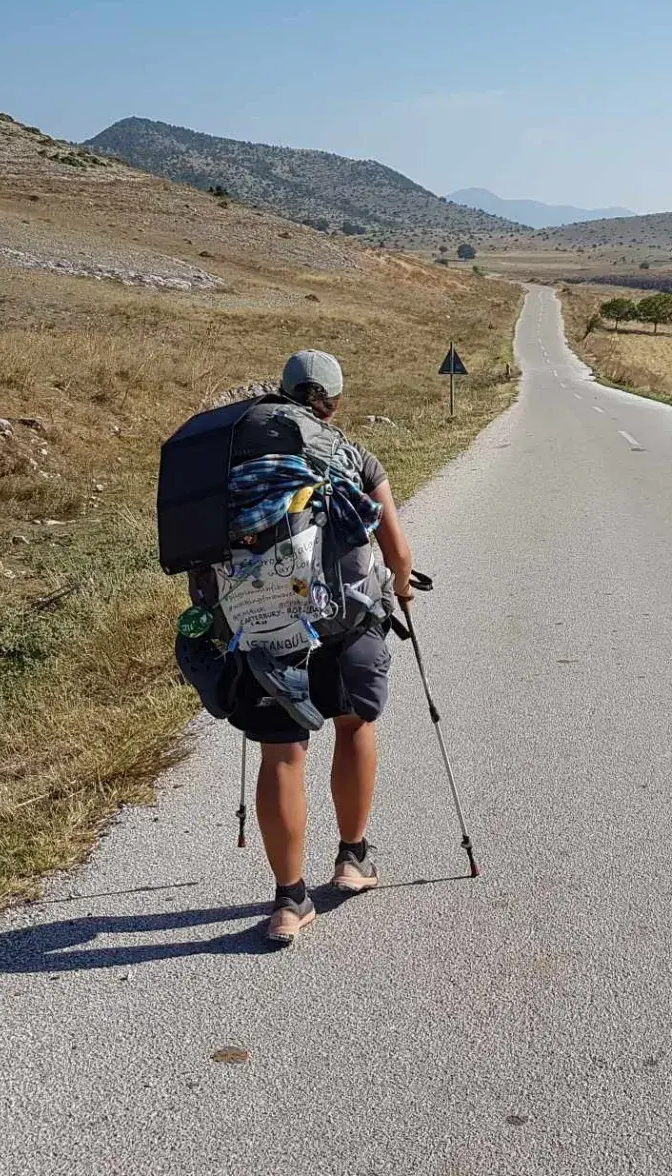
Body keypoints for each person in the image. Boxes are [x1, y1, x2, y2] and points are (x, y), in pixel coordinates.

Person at [238, 350, 415, 945]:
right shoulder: (354, 457)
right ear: (334, 401)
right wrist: (404, 589)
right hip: (348, 621)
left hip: (267, 628)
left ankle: (289, 902)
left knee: (282, 757)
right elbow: (398, 552)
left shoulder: (240, 459)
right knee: (354, 725)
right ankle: (352, 859)